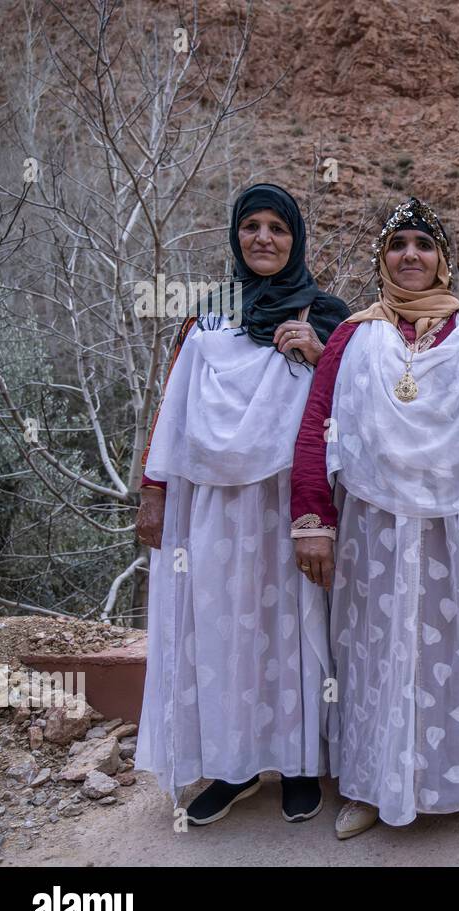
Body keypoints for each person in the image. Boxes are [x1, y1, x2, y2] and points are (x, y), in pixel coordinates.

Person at [290, 197, 459, 840]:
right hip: (372, 527)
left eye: (423, 244)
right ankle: (372, 786)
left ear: (442, 259)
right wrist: (312, 518)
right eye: (398, 244)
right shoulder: (352, 336)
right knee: (374, 656)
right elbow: (318, 424)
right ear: (383, 259)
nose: (410, 255)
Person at [135, 183, 348, 825]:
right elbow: (174, 409)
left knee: (298, 628)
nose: (263, 239)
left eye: (277, 228)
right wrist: (154, 491)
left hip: (294, 503)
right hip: (215, 507)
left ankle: (301, 763)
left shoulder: (326, 313)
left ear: (295, 239)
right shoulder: (206, 318)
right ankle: (233, 765)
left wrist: (317, 356)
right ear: (235, 237)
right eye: (250, 227)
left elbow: (360, 409)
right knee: (225, 630)